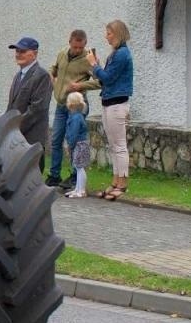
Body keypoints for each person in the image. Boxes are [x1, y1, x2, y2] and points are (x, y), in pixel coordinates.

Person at [46, 30, 100, 189]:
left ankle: (75, 176)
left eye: (80, 47)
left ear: (85, 44)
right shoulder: (62, 53)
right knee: (56, 140)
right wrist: (52, 76)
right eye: (75, 47)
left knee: (74, 141)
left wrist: (80, 85)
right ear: (69, 42)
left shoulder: (89, 59)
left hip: (76, 106)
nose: (77, 50)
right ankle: (54, 175)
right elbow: (54, 68)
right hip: (61, 103)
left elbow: (100, 81)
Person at [87, 19, 134, 200]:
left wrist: (94, 65)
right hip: (109, 102)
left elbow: (108, 78)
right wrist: (96, 66)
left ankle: (122, 184)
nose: (106, 37)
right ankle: (115, 181)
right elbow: (103, 78)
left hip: (117, 104)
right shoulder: (115, 54)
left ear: (118, 33)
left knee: (119, 146)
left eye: (109, 33)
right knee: (114, 146)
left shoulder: (122, 54)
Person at [5, 35, 52, 162]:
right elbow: (12, 106)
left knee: (32, 178)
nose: (18, 54)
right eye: (17, 51)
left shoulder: (42, 75)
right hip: (16, 138)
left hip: (32, 139)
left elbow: (37, 109)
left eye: (23, 51)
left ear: (34, 54)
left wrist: (13, 127)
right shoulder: (18, 76)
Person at [62, 91, 91, 198]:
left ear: (71, 104)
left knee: (80, 167)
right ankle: (77, 189)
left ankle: (81, 190)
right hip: (79, 144)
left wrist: (70, 145)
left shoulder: (76, 118)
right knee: (77, 166)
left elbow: (73, 133)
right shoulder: (76, 116)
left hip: (79, 144)